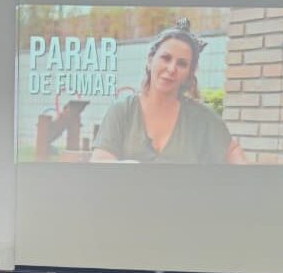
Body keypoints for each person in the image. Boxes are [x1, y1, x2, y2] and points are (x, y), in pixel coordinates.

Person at [90, 19, 246, 165]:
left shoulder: (202, 118)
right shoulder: (123, 111)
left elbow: (233, 152)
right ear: (150, 61)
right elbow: (101, 161)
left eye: (182, 64)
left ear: (189, 73)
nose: (171, 69)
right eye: (166, 58)